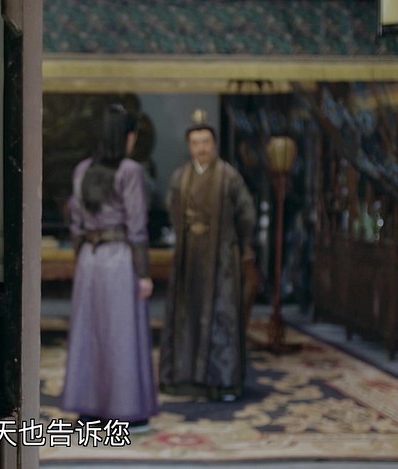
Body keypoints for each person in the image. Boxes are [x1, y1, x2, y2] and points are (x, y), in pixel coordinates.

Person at [61, 104, 158, 430]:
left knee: (90, 332)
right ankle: (127, 411)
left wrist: (83, 258)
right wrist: (143, 273)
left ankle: (89, 410)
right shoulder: (130, 171)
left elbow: (75, 223)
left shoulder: (82, 170)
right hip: (119, 259)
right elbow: (137, 227)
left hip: (90, 260)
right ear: (128, 136)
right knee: (123, 334)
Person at [158, 115, 256, 402]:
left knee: (221, 318)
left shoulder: (229, 176)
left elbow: (247, 215)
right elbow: (172, 209)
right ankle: (182, 379)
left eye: (206, 142)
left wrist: (238, 245)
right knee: (185, 315)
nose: (201, 148)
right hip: (189, 256)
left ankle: (223, 382)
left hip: (221, 257)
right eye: (195, 143)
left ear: (214, 144)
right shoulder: (180, 177)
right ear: (189, 146)